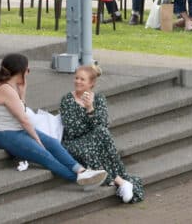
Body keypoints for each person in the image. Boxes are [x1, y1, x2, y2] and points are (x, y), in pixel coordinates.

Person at [0, 53, 108, 187]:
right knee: (43, 154)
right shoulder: (6, 89)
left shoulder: (12, 86)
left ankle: (82, 171)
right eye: (28, 70)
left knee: (53, 143)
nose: (28, 73)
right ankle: (79, 179)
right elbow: (24, 120)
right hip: (2, 133)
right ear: (21, 71)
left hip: (15, 129)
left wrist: (23, 90)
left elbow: (22, 109)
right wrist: (37, 139)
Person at [59, 65, 144, 204]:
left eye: (82, 79)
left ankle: (119, 182)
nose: (78, 82)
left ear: (91, 83)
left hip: (95, 138)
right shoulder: (67, 100)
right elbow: (72, 129)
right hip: (73, 141)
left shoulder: (98, 99)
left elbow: (103, 125)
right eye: (76, 78)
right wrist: (91, 121)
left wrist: (90, 109)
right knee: (92, 145)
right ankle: (121, 181)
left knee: (102, 132)